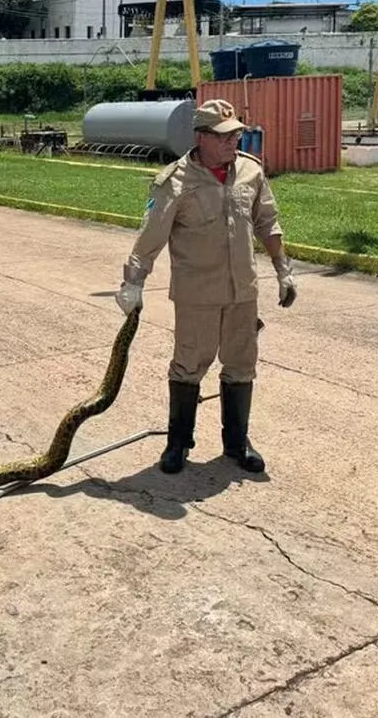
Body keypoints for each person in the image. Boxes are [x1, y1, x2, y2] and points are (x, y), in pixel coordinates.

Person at [116, 99, 296, 475]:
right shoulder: (174, 181)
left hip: (242, 292)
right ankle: (178, 443)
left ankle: (236, 443)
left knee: (241, 365)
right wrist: (132, 283)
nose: (234, 142)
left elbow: (268, 223)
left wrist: (283, 269)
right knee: (187, 367)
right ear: (201, 138)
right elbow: (151, 236)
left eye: (236, 134)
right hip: (197, 295)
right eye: (225, 136)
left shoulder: (250, 171)